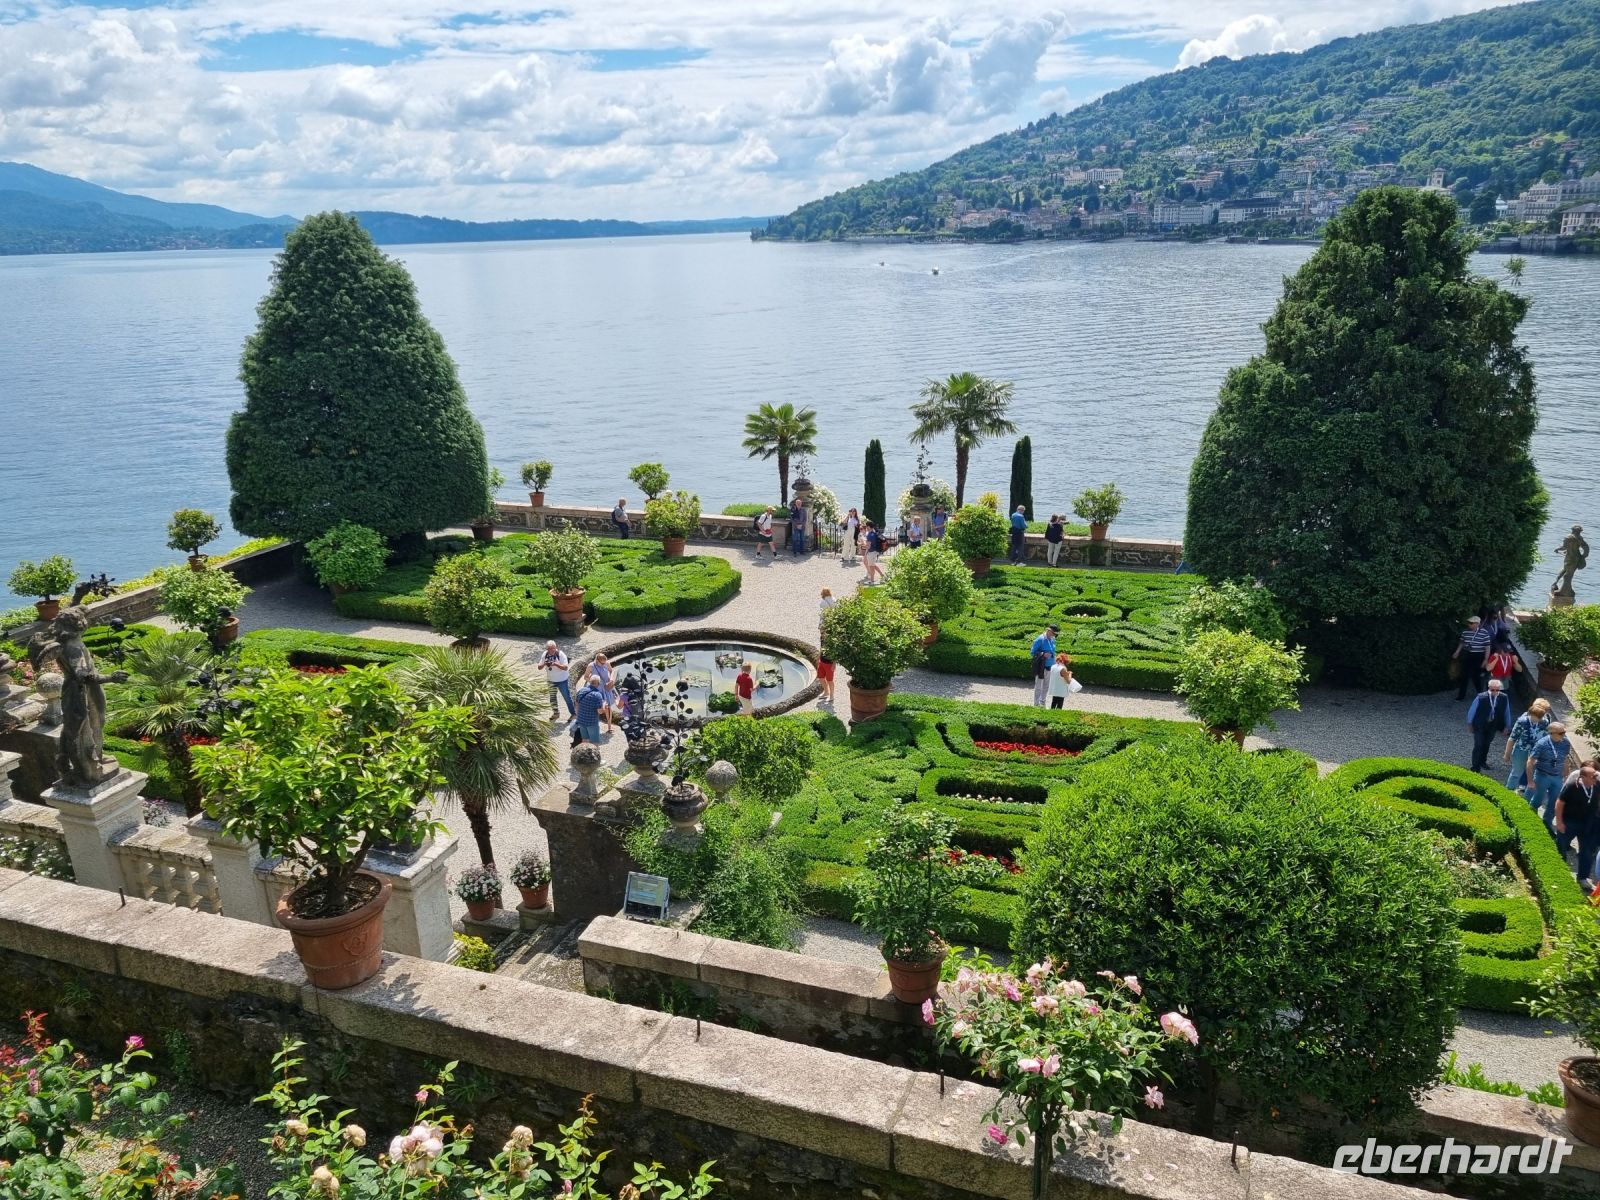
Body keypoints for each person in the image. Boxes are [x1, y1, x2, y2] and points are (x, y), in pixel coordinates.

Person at [1552, 760, 1600, 887]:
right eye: (1593, 776)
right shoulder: (1572, 786)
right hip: (1569, 821)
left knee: (1587, 852)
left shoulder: (1596, 785)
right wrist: (1559, 822)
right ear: (1583, 777)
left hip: (1588, 824)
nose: (1596, 778)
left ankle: (1582, 878)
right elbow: (1559, 803)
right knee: (1561, 846)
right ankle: (1559, 871)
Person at [1526, 720, 1574, 833]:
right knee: (1537, 799)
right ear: (1552, 733)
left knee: (1555, 801)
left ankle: (1547, 823)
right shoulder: (1542, 744)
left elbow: (1565, 759)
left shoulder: (1566, 743)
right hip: (1542, 775)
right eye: (1561, 733)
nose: (1564, 735)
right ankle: (1530, 820)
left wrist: (1566, 774)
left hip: (1557, 777)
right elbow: (1530, 761)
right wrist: (1530, 781)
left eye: (1564, 732)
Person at [1503, 697, 1552, 798]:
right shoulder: (1522, 721)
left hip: (1535, 753)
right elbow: (1512, 738)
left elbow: (1546, 739)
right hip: (1521, 750)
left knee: (1532, 774)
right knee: (1516, 772)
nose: (1544, 714)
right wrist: (1507, 754)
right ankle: (1507, 794)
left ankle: (1526, 797)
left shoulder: (1545, 722)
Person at [1465, 678, 1511, 773]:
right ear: (1488, 688)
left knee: (1486, 744)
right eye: (1492, 690)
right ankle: (1475, 766)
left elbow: (1507, 712)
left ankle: (1483, 762)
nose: (1495, 692)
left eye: (1497, 690)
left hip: (1493, 725)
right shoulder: (1481, 697)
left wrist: (1507, 726)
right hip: (1480, 725)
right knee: (1478, 744)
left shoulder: (1504, 697)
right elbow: (1472, 711)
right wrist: (1470, 723)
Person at [1452, 614, 1491, 701]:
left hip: (1478, 656)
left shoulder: (1484, 633)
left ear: (1477, 624)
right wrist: (1457, 652)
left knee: (1476, 676)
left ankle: (1480, 693)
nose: (1469, 624)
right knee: (1464, 676)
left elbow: (1487, 647)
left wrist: (1486, 659)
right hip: (1467, 655)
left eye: (1471, 623)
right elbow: (1462, 643)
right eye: (1469, 622)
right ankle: (1461, 696)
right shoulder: (1465, 632)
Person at [537, 640, 574, 719]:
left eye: (553, 648)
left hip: (562, 680)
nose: (551, 650)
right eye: (549, 649)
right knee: (552, 698)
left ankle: (574, 714)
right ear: (547, 649)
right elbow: (539, 667)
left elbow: (565, 667)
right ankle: (556, 713)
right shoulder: (545, 654)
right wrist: (545, 663)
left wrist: (555, 664)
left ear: (556, 647)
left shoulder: (560, 654)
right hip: (551, 680)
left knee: (567, 697)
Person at [817, 587, 839, 705]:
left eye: (822, 630)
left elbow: (835, 651)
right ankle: (825, 692)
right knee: (821, 677)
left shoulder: (831, 640)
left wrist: (834, 663)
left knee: (830, 680)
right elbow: (821, 648)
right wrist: (818, 658)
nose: (820, 631)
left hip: (829, 662)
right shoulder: (822, 638)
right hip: (822, 660)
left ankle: (831, 695)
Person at [1029, 623, 1059, 707]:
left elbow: (1053, 651)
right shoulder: (1040, 639)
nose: (1054, 635)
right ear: (1048, 631)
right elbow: (1032, 652)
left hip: (1050, 666)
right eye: (1053, 633)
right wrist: (1043, 654)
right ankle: (1036, 704)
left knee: (1046, 686)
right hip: (1041, 667)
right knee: (1039, 686)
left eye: (1055, 634)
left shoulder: (1052, 639)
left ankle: (1042, 702)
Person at [573, 674, 606, 746]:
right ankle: (594, 752)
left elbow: (577, 704)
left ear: (590, 682)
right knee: (594, 742)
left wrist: (578, 716)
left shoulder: (581, 690)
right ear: (598, 684)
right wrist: (604, 704)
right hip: (592, 722)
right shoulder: (597, 695)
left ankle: (584, 751)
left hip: (581, 719)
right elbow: (600, 711)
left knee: (585, 740)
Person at [590, 653, 617, 733]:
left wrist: (611, 679)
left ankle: (609, 726)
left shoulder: (607, 663)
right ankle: (594, 725)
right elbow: (586, 677)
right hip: (597, 689)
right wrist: (594, 682)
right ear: (597, 660)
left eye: (604, 663)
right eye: (602, 663)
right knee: (597, 708)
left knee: (609, 707)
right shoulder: (591, 666)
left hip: (606, 688)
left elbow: (612, 671)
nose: (603, 664)